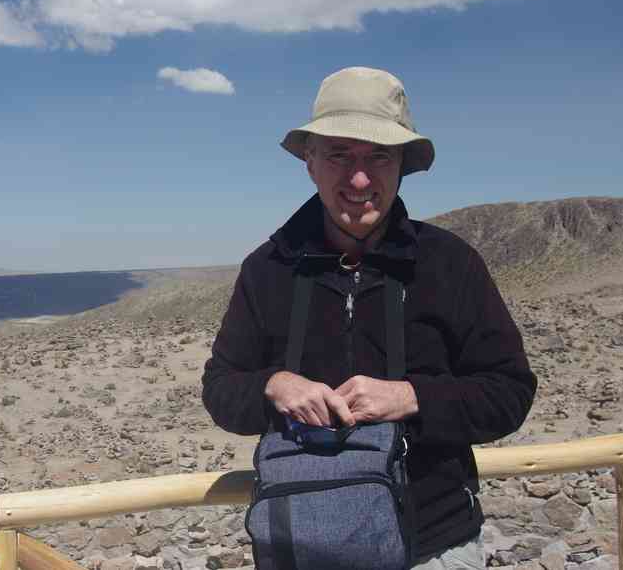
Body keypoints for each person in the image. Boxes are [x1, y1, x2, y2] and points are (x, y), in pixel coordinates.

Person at [201, 67, 537, 569]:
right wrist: (273, 386)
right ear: (310, 162)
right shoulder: (266, 269)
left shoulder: (450, 263)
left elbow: (509, 392)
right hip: (301, 547)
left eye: (379, 155)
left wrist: (412, 397)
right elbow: (221, 389)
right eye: (339, 154)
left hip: (434, 545)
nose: (360, 179)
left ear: (401, 164)